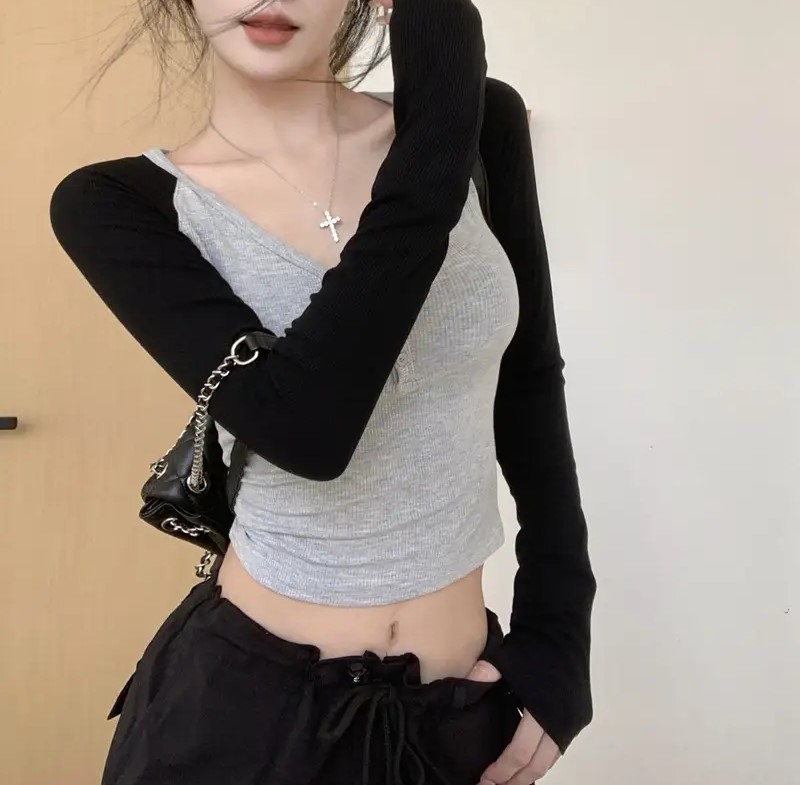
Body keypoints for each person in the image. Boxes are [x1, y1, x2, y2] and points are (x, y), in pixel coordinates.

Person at [49, 0, 597, 783]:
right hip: (246, 722)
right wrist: (433, 129)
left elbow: (530, 380)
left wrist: (558, 635)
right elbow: (309, 428)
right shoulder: (117, 204)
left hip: (455, 717)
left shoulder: (481, 126)